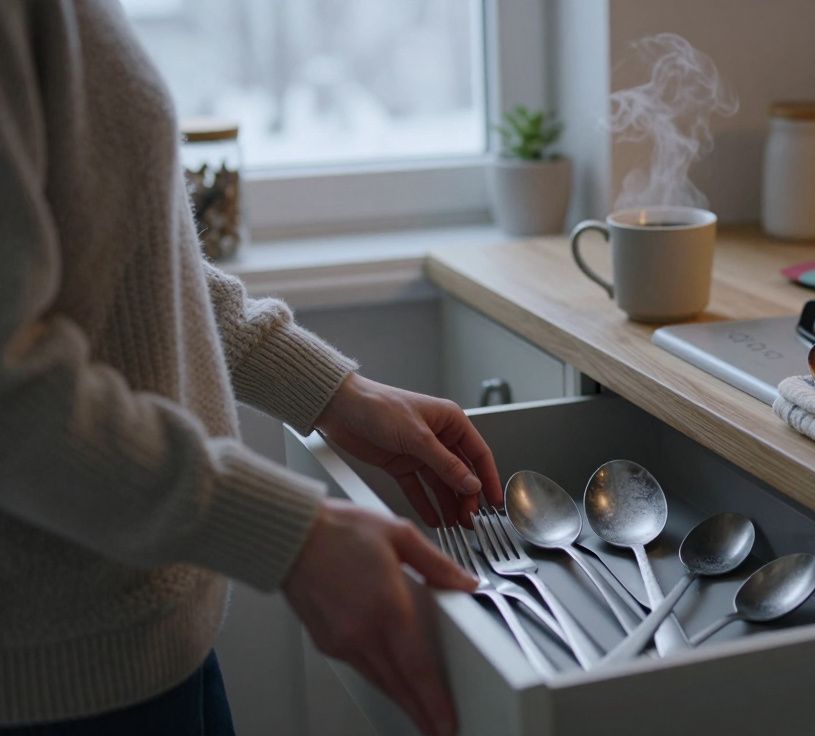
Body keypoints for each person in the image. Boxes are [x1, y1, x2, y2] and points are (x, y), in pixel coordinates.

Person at [0, 2, 492, 734]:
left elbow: (131, 265)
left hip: (146, 637)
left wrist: (332, 389)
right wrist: (292, 534)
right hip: (60, 688)